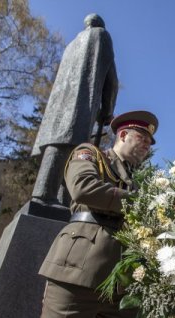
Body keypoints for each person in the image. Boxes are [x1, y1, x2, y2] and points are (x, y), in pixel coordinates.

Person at [13, 111, 158, 318]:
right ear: (123, 135)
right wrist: (142, 204)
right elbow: (84, 188)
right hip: (76, 273)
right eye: (142, 138)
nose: (147, 146)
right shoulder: (90, 154)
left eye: (150, 143)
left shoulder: (139, 182)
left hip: (121, 286)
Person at [31, 14, 118, 206]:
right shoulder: (101, 36)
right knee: (70, 144)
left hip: (58, 106)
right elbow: (110, 78)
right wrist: (107, 111)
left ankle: (53, 198)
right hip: (80, 102)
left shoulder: (71, 45)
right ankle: (47, 198)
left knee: (58, 144)